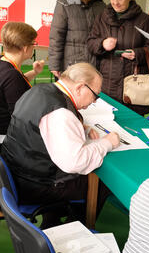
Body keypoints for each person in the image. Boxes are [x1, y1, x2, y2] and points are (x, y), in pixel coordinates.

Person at [1, 63, 120, 228]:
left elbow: (42, 135)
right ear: (80, 87)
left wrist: (81, 130)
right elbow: (76, 163)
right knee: (103, 182)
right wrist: (107, 143)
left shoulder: (38, 90)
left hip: (18, 173)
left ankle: (53, 220)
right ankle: (76, 227)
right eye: (95, 95)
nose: (94, 101)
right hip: (35, 185)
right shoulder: (61, 114)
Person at [87, 0, 149, 116]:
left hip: (134, 86)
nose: (115, 2)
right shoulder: (102, 17)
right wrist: (102, 43)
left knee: (132, 127)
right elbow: (90, 43)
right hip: (107, 83)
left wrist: (137, 54)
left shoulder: (144, 19)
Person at [49, 0, 106, 78]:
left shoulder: (101, 6)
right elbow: (56, 35)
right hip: (71, 65)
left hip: (95, 66)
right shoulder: (64, 2)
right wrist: (55, 65)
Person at [0, 22, 45, 139]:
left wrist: (34, 72)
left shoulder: (4, 62)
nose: (34, 46)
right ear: (25, 48)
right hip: (6, 136)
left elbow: (14, 83)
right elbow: (20, 117)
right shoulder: (12, 75)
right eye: (33, 43)